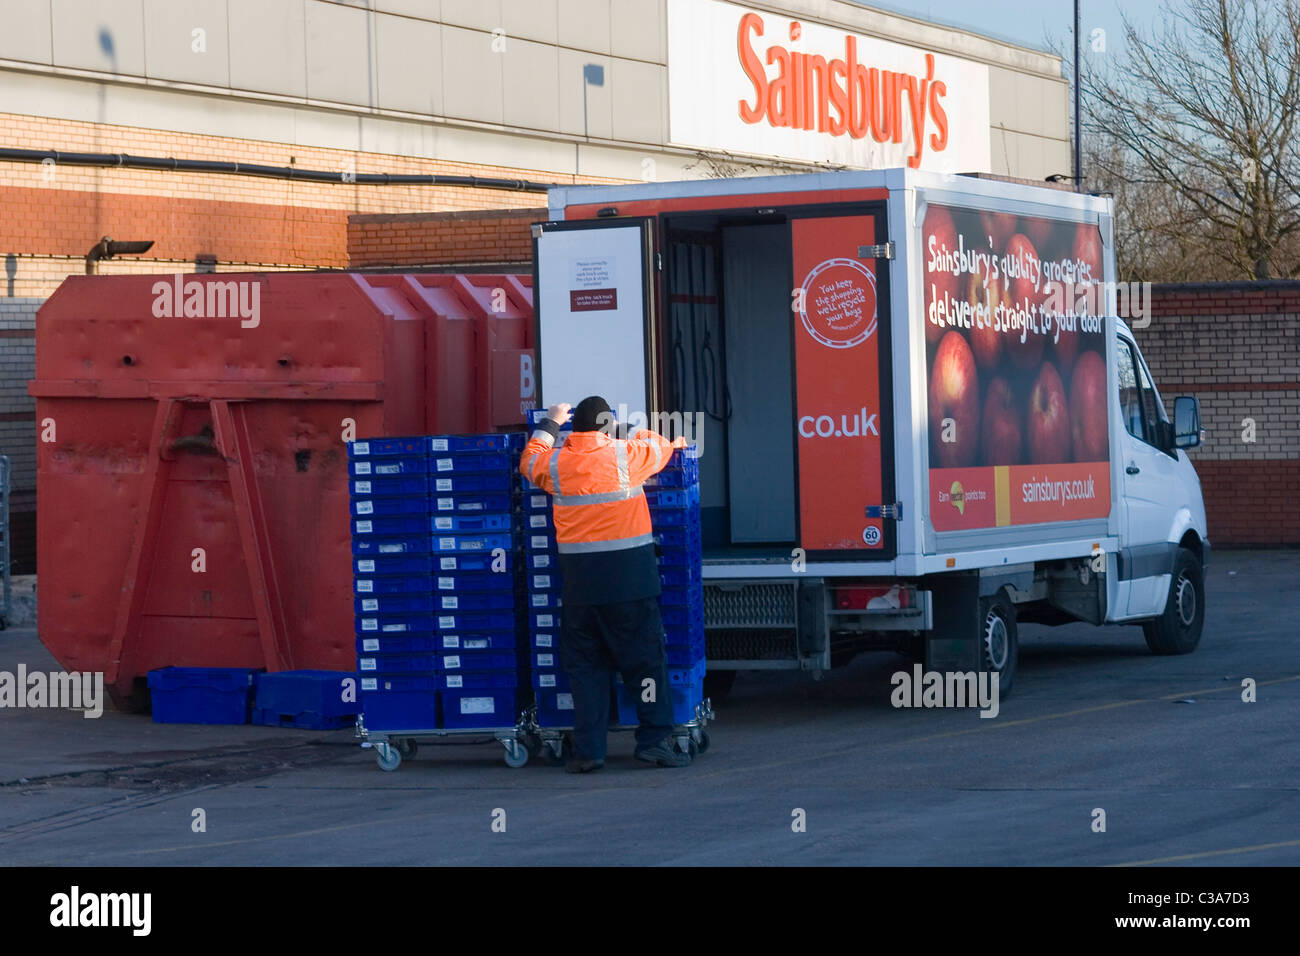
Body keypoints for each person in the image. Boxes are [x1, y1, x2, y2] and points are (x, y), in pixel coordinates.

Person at [520, 396, 691, 772]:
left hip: (581, 587)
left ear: (574, 427)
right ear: (606, 427)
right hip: (630, 582)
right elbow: (659, 443)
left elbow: (528, 461)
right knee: (644, 664)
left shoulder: (558, 463)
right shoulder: (626, 455)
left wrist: (550, 423)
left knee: (587, 670)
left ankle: (590, 751)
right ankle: (654, 741)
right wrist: (623, 430)